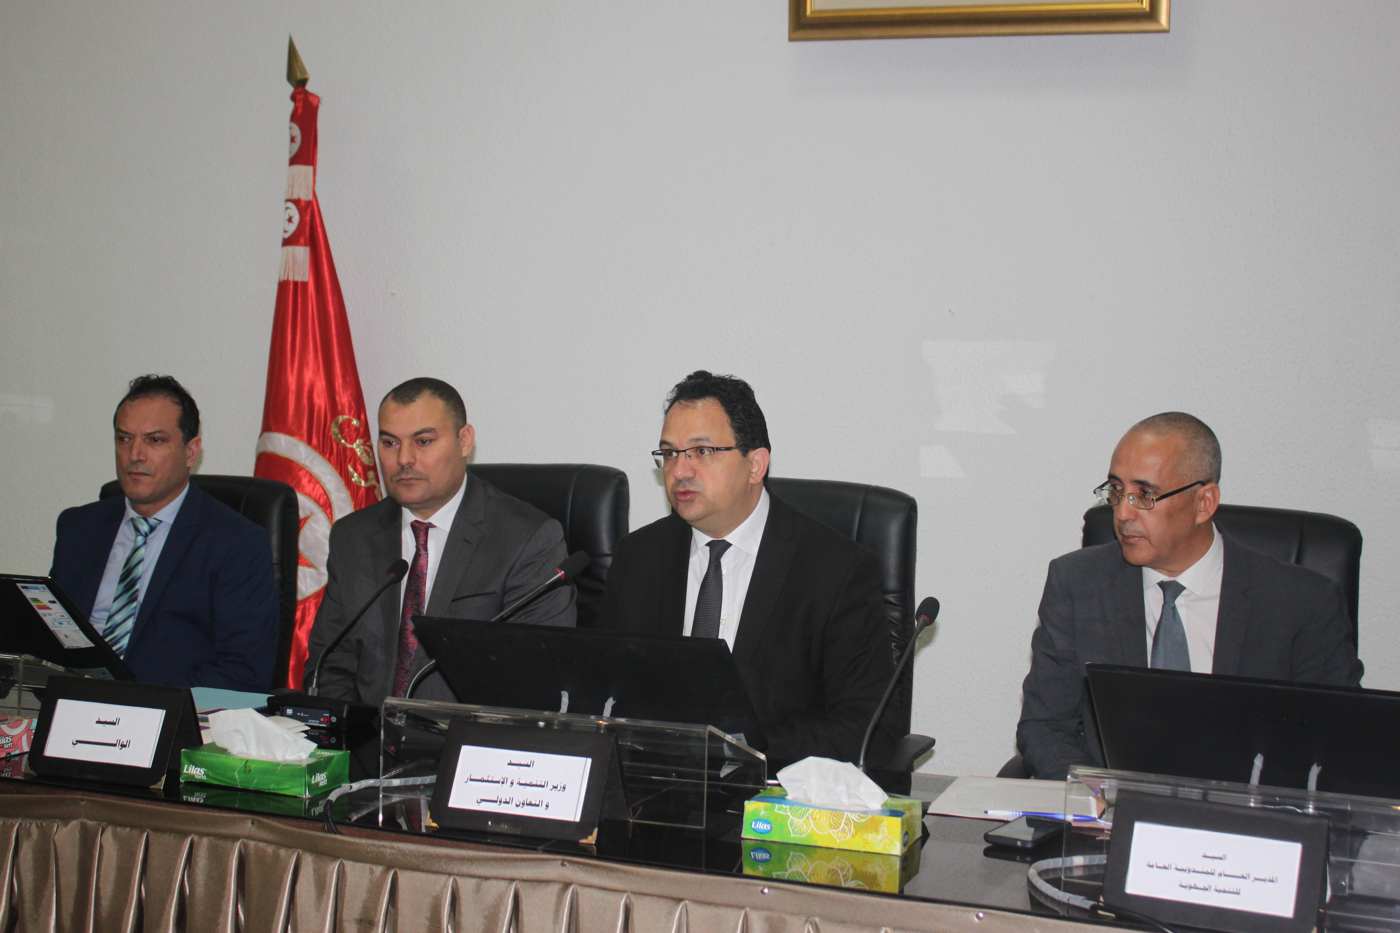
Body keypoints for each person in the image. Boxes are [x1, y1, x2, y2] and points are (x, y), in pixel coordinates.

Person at [1016, 412, 1363, 780]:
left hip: (1248, 808)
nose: (1123, 512)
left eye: (1144, 495)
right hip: (1112, 808)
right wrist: (1097, 796)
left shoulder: (1301, 603)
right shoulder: (1077, 583)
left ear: (1204, 503)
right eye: (1116, 490)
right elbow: (1045, 727)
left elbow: (1338, 741)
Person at [600, 370, 892, 765]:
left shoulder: (837, 572)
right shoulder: (638, 558)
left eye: (702, 451)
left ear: (755, 465)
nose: (679, 471)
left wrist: (738, 752)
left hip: (776, 790)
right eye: (669, 454)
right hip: (655, 785)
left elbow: (864, 729)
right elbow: (605, 697)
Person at [306, 377, 575, 705]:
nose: (404, 459)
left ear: (464, 441)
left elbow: (535, 681)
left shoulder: (527, 540)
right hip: (368, 735)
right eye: (389, 443)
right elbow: (330, 667)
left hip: (467, 735)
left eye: (423, 441)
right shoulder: (354, 537)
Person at [50, 375, 278, 690]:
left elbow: (244, 672)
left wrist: (143, 704)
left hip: (171, 711)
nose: (135, 454)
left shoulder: (237, 544)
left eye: (155, 440)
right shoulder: (78, 528)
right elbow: (53, 642)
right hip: (73, 704)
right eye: (124, 439)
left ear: (191, 452)